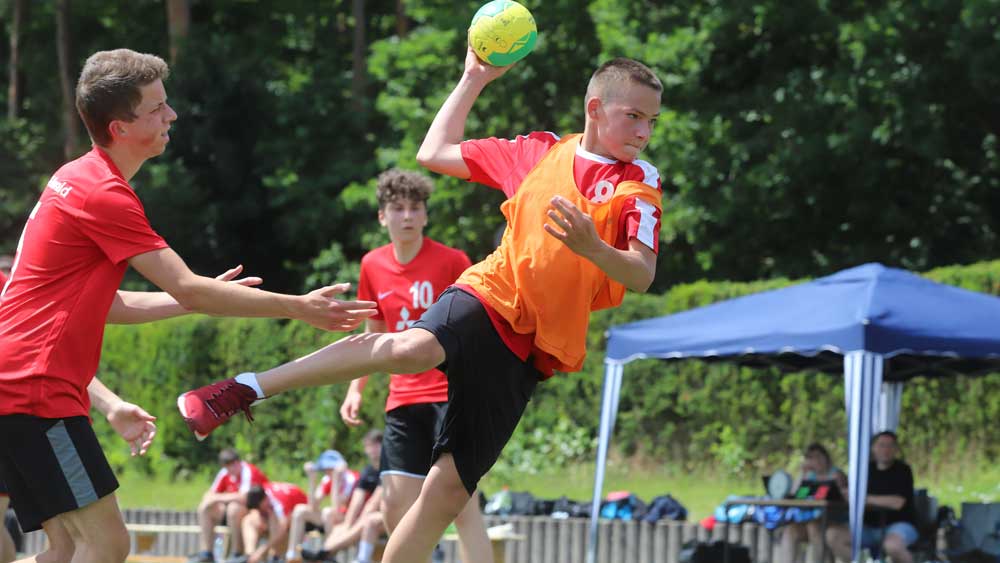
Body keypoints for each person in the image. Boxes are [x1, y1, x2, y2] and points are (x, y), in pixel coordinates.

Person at [179, 51, 664, 563]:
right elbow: (434, 150)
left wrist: (595, 248)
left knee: (447, 494)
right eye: (632, 115)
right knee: (411, 347)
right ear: (594, 108)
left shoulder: (639, 184)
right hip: (490, 295)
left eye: (651, 120)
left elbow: (642, 272)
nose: (643, 130)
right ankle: (243, 389)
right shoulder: (539, 151)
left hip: (531, 348)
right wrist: (472, 79)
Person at [0, 48, 375, 563]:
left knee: (66, 548)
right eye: (156, 109)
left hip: (18, 385)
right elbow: (189, 286)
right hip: (35, 390)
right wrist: (298, 306)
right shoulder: (103, 193)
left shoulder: (76, 177)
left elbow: (111, 303)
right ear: (120, 127)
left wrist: (192, 299)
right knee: (106, 544)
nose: (171, 116)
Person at [337, 168, 492, 562]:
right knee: (392, 504)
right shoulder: (372, 265)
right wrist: (356, 389)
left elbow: (479, 325)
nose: (407, 216)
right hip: (402, 400)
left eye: (415, 208)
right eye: (398, 208)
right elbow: (373, 335)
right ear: (382, 217)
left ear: (425, 215)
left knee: (461, 504)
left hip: (449, 396)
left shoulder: (452, 261)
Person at [826, 431, 918, 563]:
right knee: (832, 535)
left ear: (896, 449)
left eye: (890, 445)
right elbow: (850, 496)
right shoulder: (864, 470)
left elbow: (898, 502)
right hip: (867, 527)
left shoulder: (903, 470)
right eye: (881, 445)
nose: (886, 449)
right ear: (873, 448)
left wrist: (865, 499)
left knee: (892, 546)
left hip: (897, 525)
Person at [301, 430, 385, 563]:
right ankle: (326, 554)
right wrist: (348, 523)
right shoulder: (368, 471)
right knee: (345, 524)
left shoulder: (388, 468)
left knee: (367, 521)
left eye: (373, 445)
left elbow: (373, 503)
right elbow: (357, 501)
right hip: (362, 515)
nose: (370, 450)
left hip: (383, 515)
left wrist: (353, 522)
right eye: (368, 446)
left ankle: (326, 552)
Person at [189, 449, 271, 563]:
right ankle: (206, 553)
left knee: (234, 508)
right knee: (205, 508)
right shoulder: (224, 472)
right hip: (229, 514)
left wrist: (218, 497)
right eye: (226, 467)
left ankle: (237, 554)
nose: (229, 470)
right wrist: (210, 499)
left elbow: (244, 497)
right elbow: (210, 494)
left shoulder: (248, 471)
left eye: (232, 466)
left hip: (256, 513)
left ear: (238, 462)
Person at [776, 443, 848, 563]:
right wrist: (802, 474)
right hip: (814, 520)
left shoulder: (836, 474)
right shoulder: (809, 476)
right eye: (811, 458)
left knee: (814, 527)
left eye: (819, 457)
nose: (816, 461)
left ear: (826, 457)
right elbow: (796, 496)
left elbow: (839, 497)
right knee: (790, 530)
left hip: (835, 520)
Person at [285, 449, 356, 562]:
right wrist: (312, 479)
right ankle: (293, 555)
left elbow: (336, 509)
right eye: (325, 469)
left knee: (328, 512)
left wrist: (336, 479)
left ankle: (328, 555)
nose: (327, 472)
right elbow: (312, 506)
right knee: (300, 510)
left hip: (349, 520)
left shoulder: (351, 478)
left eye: (330, 469)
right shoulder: (328, 479)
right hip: (333, 518)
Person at [240, 482, 309, 563]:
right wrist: (258, 517)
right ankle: (249, 555)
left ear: (265, 499)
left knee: (273, 518)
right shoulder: (263, 491)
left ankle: (275, 556)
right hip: (284, 514)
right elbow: (254, 510)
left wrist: (262, 550)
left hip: (304, 518)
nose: (259, 510)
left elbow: (282, 529)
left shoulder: (279, 503)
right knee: (248, 520)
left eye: (259, 508)